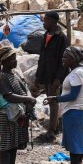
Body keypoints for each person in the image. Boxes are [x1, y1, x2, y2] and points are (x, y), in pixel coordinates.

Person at [46, 47, 83, 164]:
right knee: (76, 142)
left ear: (74, 59)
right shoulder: (80, 71)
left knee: (75, 143)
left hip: (74, 111)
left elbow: (73, 95)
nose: (63, 59)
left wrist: (56, 98)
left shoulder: (76, 74)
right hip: (77, 111)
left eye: (66, 57)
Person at [0, 45, 35, 164]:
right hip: (7, 114)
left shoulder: (14, 74)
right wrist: (27, 99)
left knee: (14, 142)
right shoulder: (2, 77)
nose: (15, 61)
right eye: (12, 59)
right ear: (5, 61)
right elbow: (9, 96)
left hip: (15, 113)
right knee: (7, 143)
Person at [31, 11, 69, 142]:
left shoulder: (61, 38)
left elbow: (63, 60)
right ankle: (56, 127)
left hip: (55, 76)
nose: (43, 23)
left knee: (53, 102)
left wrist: (58, 78)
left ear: (53, 22)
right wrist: (38, 77)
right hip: (45, 74)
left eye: (46, 20)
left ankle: (51, 131)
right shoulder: (45, 36)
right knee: (51, 100)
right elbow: (42, 58)